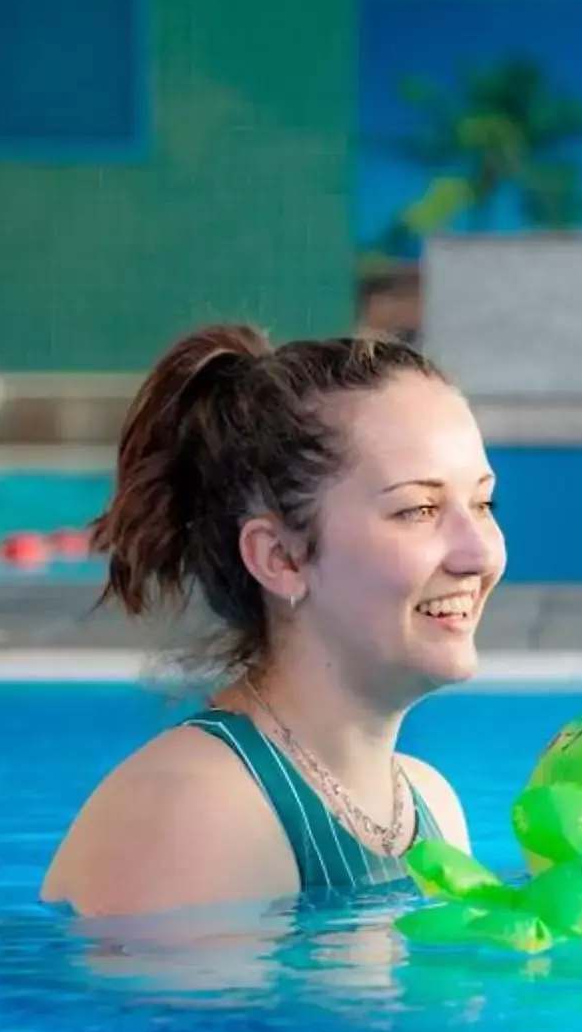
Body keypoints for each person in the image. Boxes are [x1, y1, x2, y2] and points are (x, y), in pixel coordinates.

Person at [42, 325, 492, 919]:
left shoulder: (428, 805)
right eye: (418, 509)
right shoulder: (198, 815)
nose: (480, 554)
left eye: (483, 504)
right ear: (280, 558)